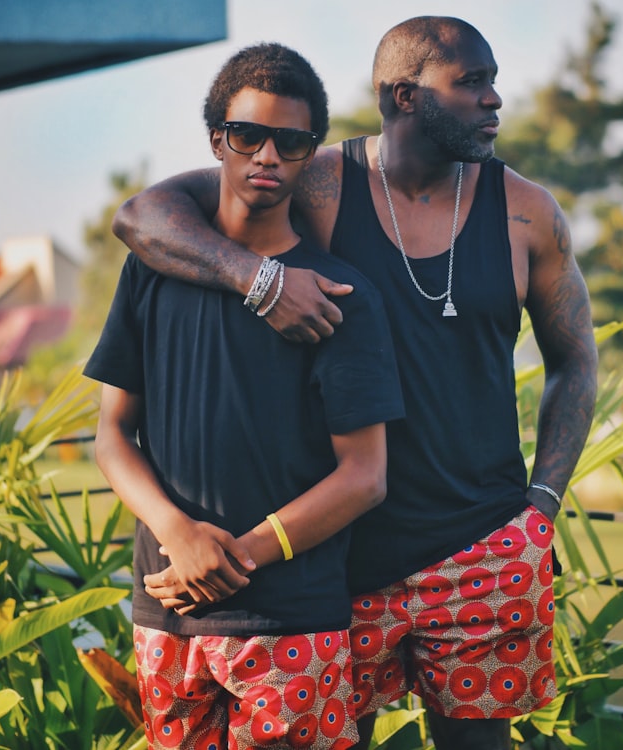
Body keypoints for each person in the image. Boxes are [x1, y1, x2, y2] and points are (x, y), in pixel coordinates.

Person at [114, 17, 598, 750]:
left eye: (493, 81)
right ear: (403, 95)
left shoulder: (526, 213)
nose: (495, 99)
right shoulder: (318, 179)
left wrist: (543, 505)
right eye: (472, 82)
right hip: (341, 557)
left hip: (485, 548)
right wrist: (261, 280)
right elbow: (144, 216)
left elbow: (575, 360)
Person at [86, 42, 404, 750]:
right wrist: (178, 536)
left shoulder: (340, 297)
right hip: (165, 609)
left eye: (289, 142)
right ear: (216, 141)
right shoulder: (151, 272)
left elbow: (366, 476)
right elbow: (111, 432)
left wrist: (239, 558)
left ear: (310, 153)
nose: (266, 155)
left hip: (289, 619)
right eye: (246, 136)